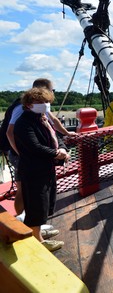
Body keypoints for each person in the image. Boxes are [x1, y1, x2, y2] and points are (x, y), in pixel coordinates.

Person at [6, 78, 75, 228]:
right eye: (52, 91)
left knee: (40, 194)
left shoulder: (41, 110)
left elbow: (53, 123)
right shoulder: (21, 110)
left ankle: (36, 224)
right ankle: (23, 223)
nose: (51, 97)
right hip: (23, 155)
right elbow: (10, 132)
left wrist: (65, 135)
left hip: (40, 159)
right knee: (25, 189)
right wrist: (20, 153)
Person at [13, 87, 70, 252]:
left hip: (45, 168)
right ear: (29, 104)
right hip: (33, 171)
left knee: (45, 201)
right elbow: (34, 147)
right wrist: (57, 154)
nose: (46, 105)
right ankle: (37, 240)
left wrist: (63, 148)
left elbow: (55, 136)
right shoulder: (24, 123)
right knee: (36, 204)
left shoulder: (41, 118)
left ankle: (37, 232)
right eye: (41, 102)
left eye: (47, 102)